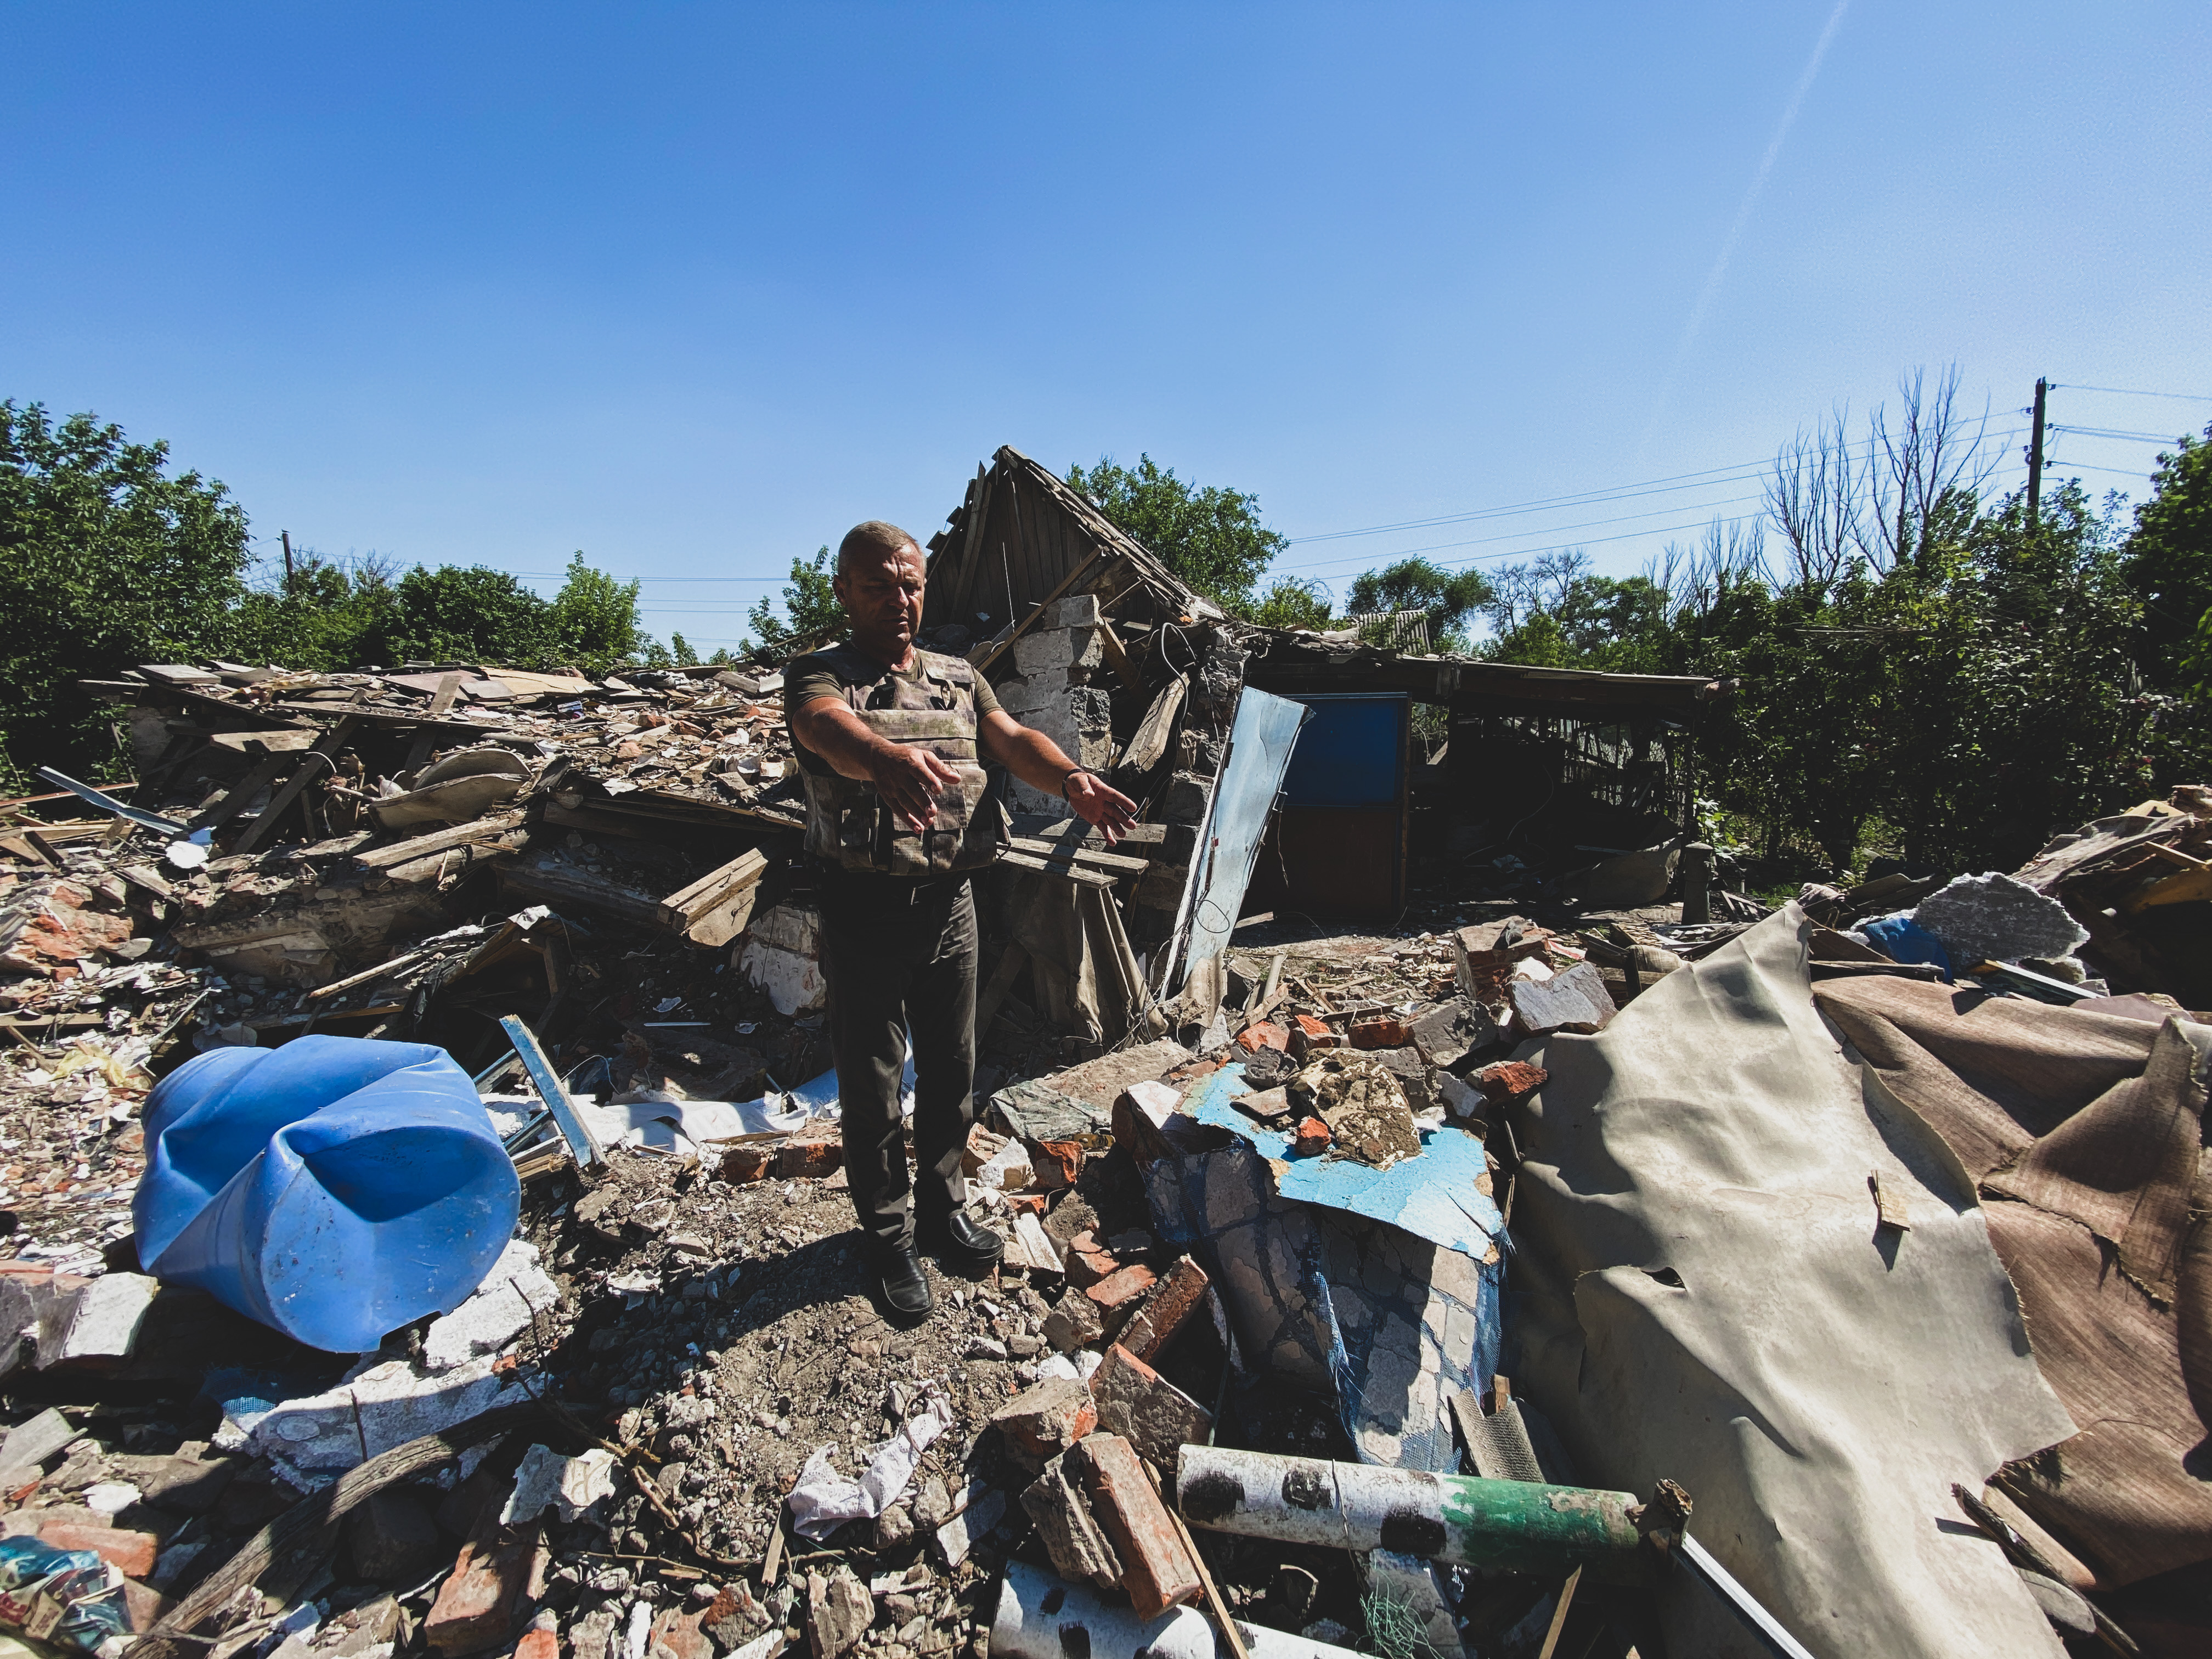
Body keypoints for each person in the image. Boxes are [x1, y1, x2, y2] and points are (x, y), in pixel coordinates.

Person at [784, 520, 1138, 1321]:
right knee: (874, 1086)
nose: (898, 599)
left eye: (909, 584)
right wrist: (881, 757)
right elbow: (819, 727)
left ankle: (942, 1207)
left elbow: (1010, 738)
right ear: (844, 591)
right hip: (865, 908)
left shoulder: (956, 676)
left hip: (952, 904)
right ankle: (885, 1236)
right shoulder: (821, 674)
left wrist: (1073, 778)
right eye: (877, 585)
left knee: (952, 1070)